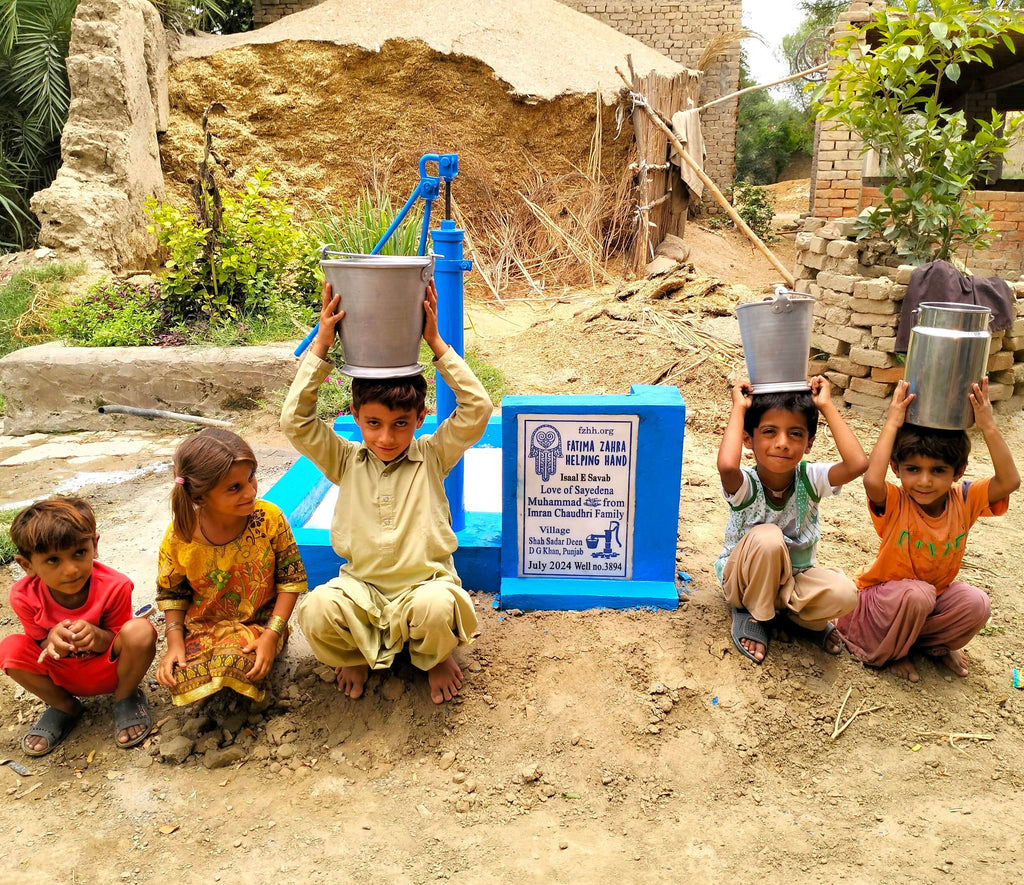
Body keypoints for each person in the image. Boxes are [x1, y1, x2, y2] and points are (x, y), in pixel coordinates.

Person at [281, 279, 491, 703]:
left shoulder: (433, 455)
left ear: (420, 418)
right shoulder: (345, 460)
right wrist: (321, 346)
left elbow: (478, 408)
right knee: (318, 610)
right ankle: (353, 654)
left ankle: (434, 659)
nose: (386, 437)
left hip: (424, 587)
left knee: (436, 609)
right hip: (362, 591)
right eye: (373, 423)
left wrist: (435, 343)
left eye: (400, 423)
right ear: (355, 416)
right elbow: (295, 423)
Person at [835, 379, 1019, 682]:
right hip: (879, 605)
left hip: (928, 601)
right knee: (918, 594)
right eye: (913, 469)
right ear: (897, 469)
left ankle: (930, 645)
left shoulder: (964, 498)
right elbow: (871, 482)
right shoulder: (896, 502)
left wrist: (987, 425)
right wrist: (893, 421)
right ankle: (892, 652)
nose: (924, 481)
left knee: (976, 603)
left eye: (937, 471)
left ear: (957, 472)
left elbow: (1010, 481)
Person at [716, 377, 868, 664]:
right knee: (768, 537)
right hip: (743, 583)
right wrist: (739, 408)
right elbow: (726, 465)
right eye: (770, 432)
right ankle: (753, 615)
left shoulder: (810, 478)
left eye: (796, 434)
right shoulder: (747, 484)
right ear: (748, 439)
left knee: (845, 593)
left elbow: (857, 464)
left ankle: (792, 617)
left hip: (792, 582)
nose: (783, 443)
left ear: (809, 443)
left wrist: (826, 405)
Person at [155, 429, 308, 708]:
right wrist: (174, 643)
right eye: (234, 488)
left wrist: (272, 635)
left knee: (239, 662)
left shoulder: (268, 519)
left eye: (250, 477)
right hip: (203, 628)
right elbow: (171, 595)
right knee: (179, 675)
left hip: (260, 625)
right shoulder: (180, 537)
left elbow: (291, 581)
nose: (250, 491)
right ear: (201, 498)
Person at [0, 497, 156, 756]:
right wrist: (51, 641)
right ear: (27, 565)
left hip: (111, 672)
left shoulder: (115, 586)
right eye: (53, 560)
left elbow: (121, 639)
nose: (71, 569)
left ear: (94, 546)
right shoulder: (23, 595)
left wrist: (97, 637)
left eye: (79, 553)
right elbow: (37, 644)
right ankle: (65, 707)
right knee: (9, 649)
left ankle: (126, 697)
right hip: (62, 674)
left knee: (140, 630)